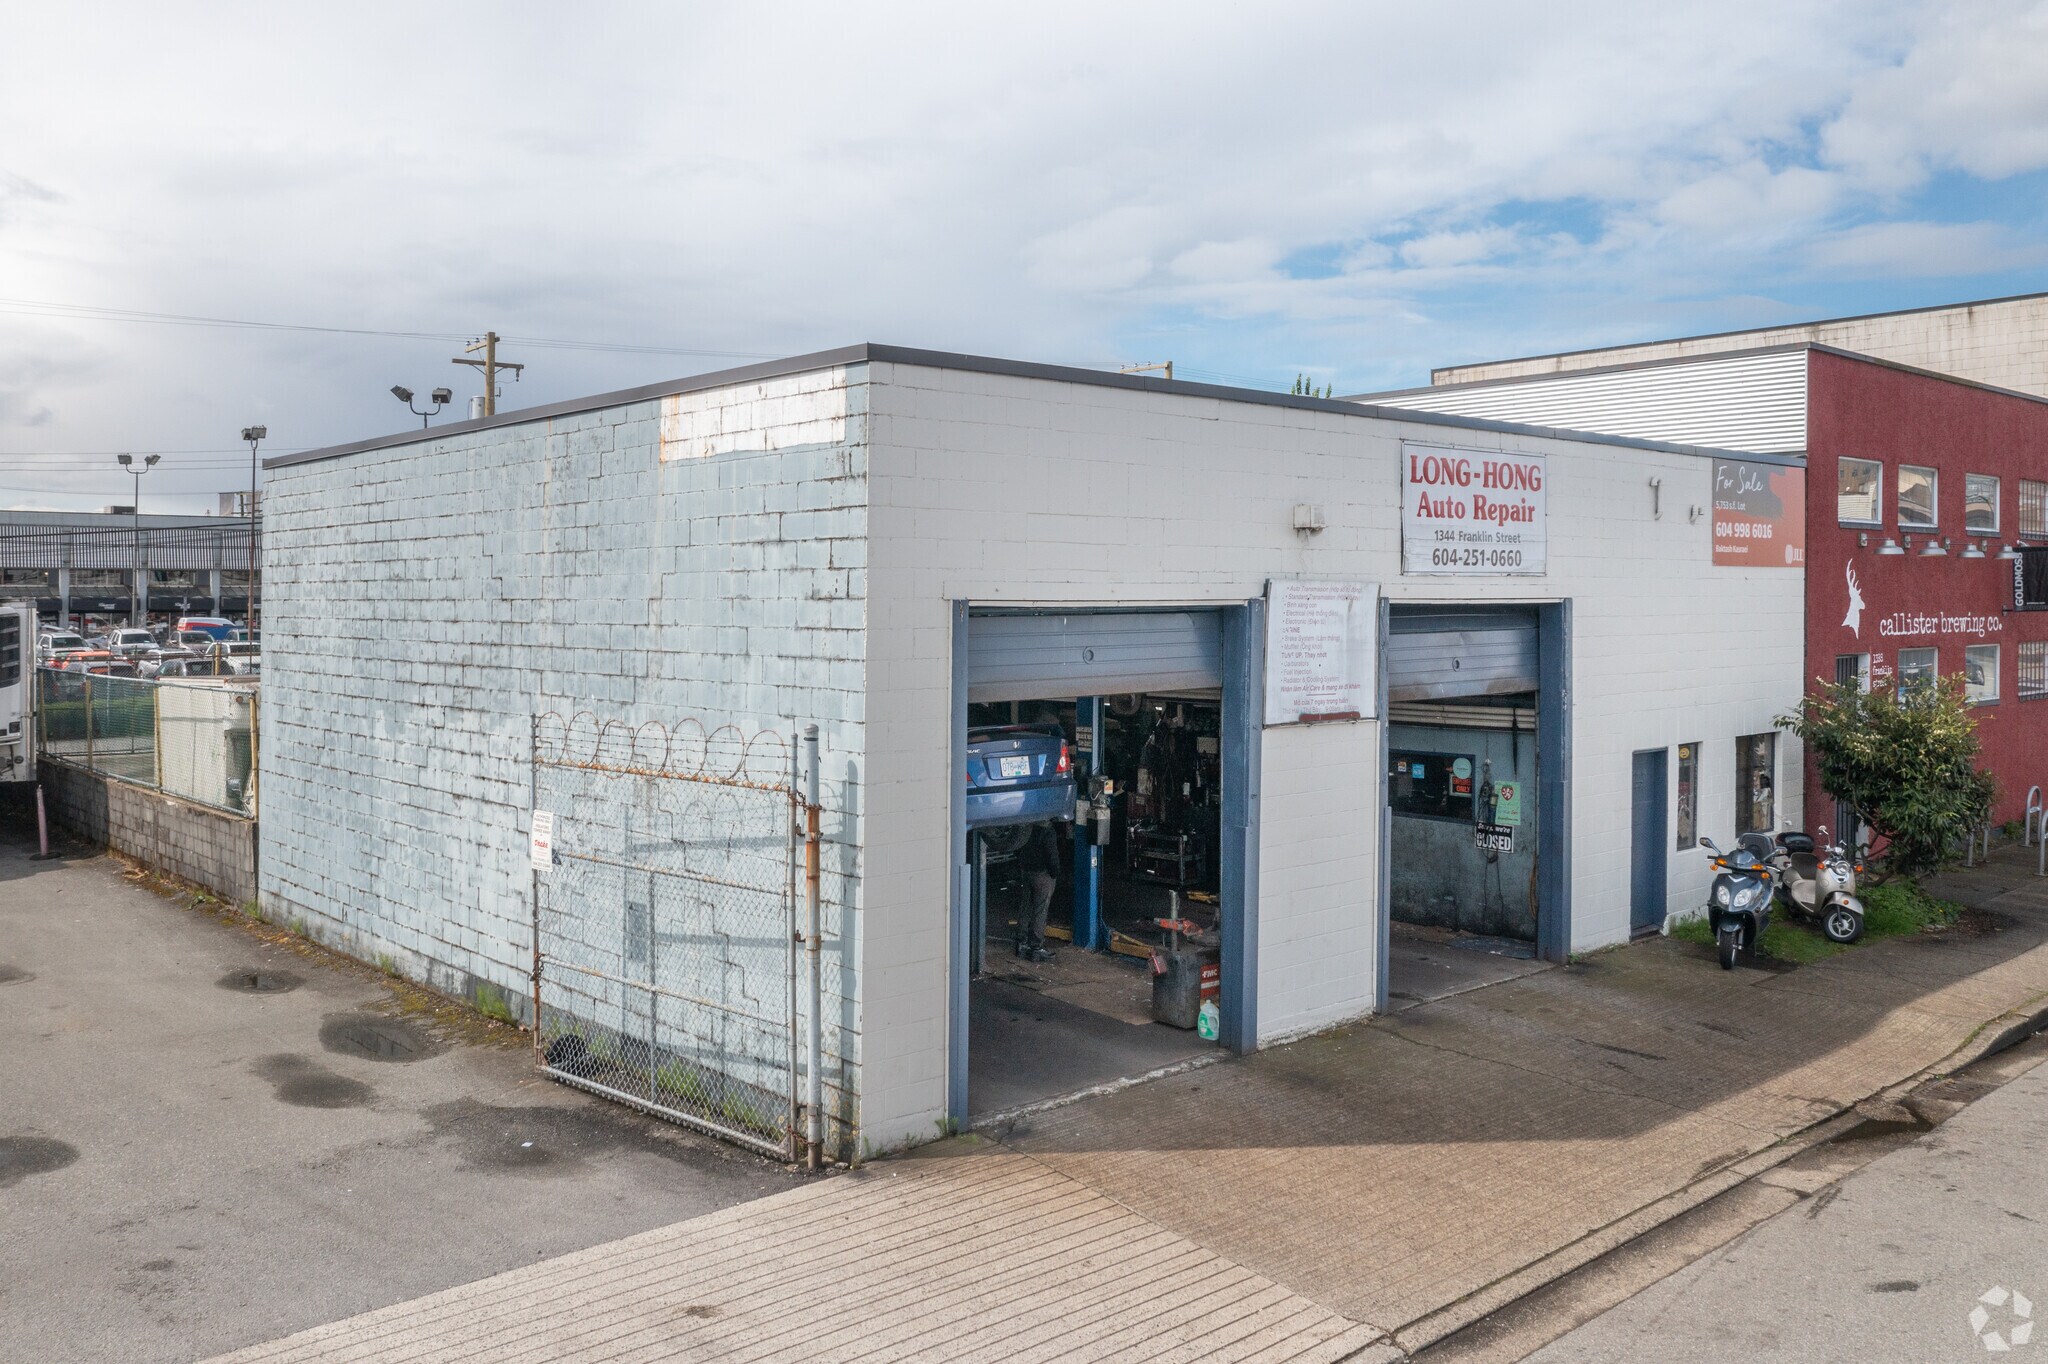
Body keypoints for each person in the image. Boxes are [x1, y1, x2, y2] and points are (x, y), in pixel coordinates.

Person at [1015, 821, 1062, 961]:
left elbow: (1016, 847)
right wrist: (1055, 872)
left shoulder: (1026, 826)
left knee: (1026, 906)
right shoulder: (1048, 831)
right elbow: (1051, 855)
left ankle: (1021, 943)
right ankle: (1036, 947)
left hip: (1026, 870)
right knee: (1040, 910)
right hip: (1042, 874)